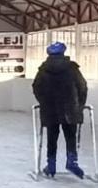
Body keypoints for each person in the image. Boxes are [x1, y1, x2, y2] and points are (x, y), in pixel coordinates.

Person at [32, 42, 89, 178]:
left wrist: (43, 102)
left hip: (50, 109)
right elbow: (82, 87)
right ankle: (72, 162)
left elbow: (36, 87)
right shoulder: (72, 68)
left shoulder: (43, 69)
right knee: (70, 136)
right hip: (70, 109)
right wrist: (79, 105)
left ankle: (51, 165)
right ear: (63, 53)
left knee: (52, 138)